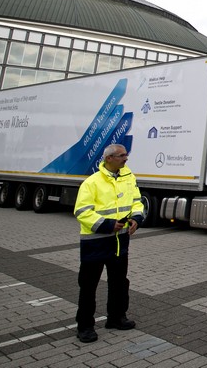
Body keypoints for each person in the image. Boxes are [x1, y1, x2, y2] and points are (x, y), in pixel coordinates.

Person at [74, 143, 144, 343]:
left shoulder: (129, 179)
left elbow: (137, 202)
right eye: (122, 155)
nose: (126, 158)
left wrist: (136, 219)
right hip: (94, 243)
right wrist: (106, 225)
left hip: (119, 242)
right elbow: (82, 211)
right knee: (88, 286)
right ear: (109, 158)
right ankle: (85, 326)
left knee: (119, 283)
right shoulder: (91, 182)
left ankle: (116, 318)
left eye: (126, 155)